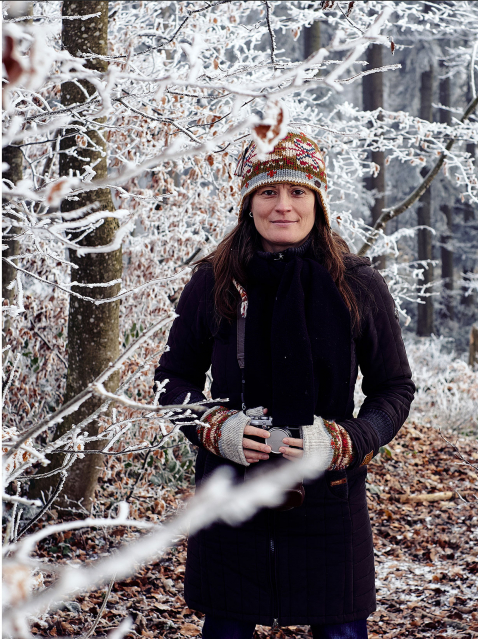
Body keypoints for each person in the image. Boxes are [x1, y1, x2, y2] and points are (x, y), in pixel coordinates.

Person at [153, 130, 416, 639]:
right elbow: (172, 378)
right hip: (232, 498)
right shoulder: (214, 279)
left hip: (329, 505)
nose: (283, 206)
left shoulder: (357, 284)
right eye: (268, 192)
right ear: (248, 202)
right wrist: (213, 426)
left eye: (298, 192)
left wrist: (345, 441)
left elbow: (395, 389)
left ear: (318, 200)